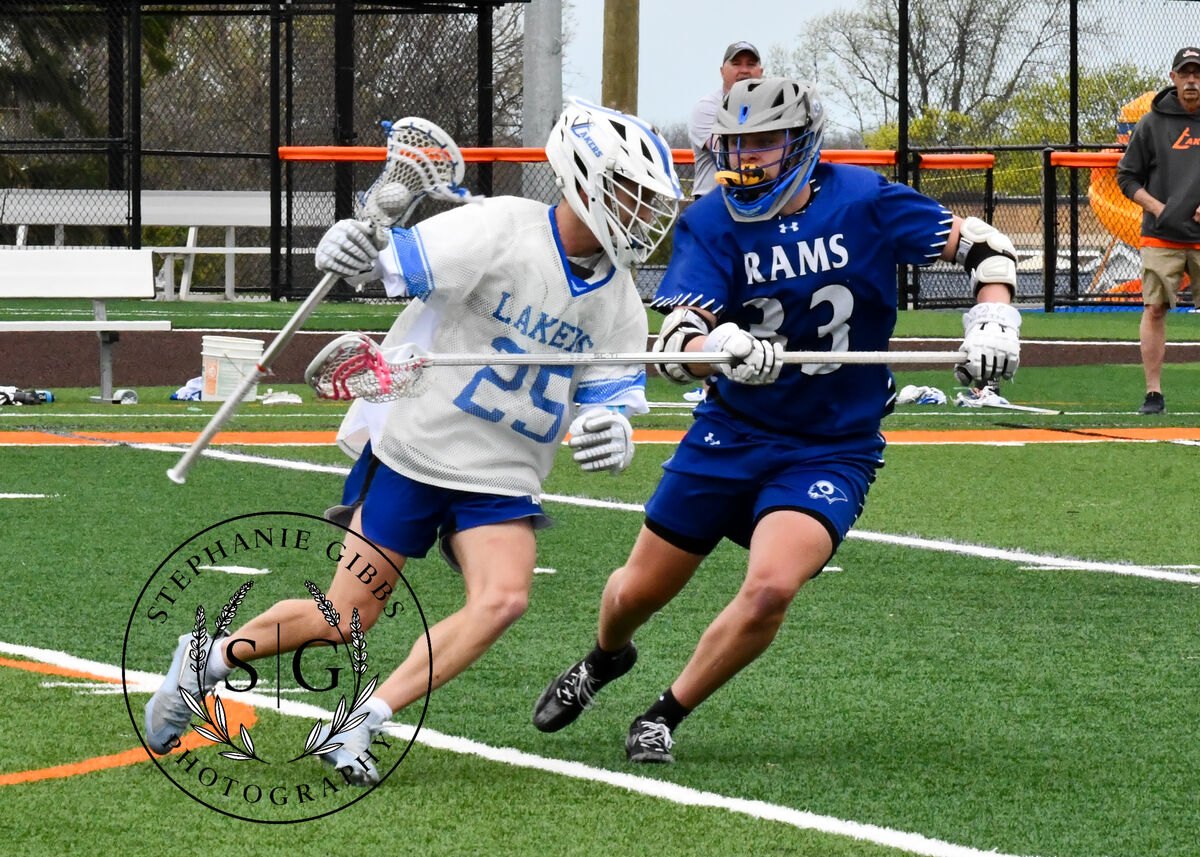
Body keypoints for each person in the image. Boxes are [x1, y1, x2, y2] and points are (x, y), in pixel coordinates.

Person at [144, 97, 683, 784]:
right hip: (417, 448)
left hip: (503, 471)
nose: (643, 212)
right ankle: (206, 661)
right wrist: (348, 246)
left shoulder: (622, 299)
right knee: (343, 617)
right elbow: (388, 263)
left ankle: (361, 722)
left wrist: (615, 429)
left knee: (504, 598)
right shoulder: (499, 228)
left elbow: (612, 396)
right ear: (585, 179)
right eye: (632, 192)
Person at [532, 77, 1021, 763]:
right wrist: (719, 348)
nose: (747, 158)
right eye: (736, 144)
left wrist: (994, 314)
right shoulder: (710, 221)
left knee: (770, 588)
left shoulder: (864, 198)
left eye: (764, 142)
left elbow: (984, 246)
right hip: (731, 433)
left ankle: (664, 713)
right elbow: (675, 346)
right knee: (635, 592)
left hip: (832, 444)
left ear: (802, 142)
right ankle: (605, 656)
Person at [1117, 46, 1200, 415]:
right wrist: (1159, 209)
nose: (1192, 80)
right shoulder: (1151, 123)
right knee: (1154, 309)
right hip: (1161, 236)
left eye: (1197, 73)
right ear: (1173, 78)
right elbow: (1127, 177)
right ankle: (1153, 394)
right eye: (1185, 73)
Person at [688, 41, 764, 199]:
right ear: (722, 71)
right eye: (736, 64)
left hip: (760, 199)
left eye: (751, 64)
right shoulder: (707, 107)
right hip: (712, 200)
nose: (744, 70)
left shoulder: (770, 107)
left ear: (760, 72)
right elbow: (727, 155)